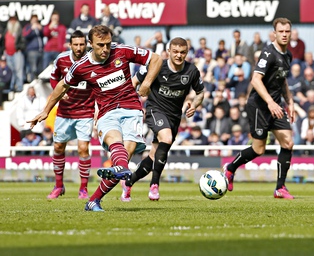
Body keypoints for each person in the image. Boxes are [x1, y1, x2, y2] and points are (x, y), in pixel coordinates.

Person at [28, 25, 163, 211]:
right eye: (100, 45)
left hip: (131, 109)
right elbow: (62, 85)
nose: (105, 49)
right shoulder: (81, 66)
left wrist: (146, 83)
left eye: (108, 44)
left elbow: (156, 58)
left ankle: (93, 200)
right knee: (118, 150)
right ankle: (118, 170)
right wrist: (46, 110)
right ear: (90, 44)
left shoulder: (122, 51)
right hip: (106, 112)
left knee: (124, 157)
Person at [119, 37, 204, 201]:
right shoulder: (157, 66)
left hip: (174, 116)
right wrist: (127, 105)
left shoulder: (192, 71)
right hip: (155, 110)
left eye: (183, 52)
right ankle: (154, 185)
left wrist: (194, 104)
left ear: (187, 52)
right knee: (166, 137)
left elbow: (200, 92)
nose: (179, 56)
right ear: (169, 52)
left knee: (154, 156)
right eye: (175, 52)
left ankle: (128, 182)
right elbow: (134, 82)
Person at [223, 17, 295, 199]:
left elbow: (282, 79)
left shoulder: (288, 55)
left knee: (288, 143)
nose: (285, 35)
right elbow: (255, 79)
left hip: (276, 105)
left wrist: (290, 101)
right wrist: (270, 102)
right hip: (260, 106)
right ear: (275, 33)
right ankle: (230, 168)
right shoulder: (268, 53)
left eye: (287, 31)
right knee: (258, 149)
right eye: (281, 32)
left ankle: (280, 188)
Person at [46, 30, 95, 200]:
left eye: (82, 44)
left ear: (86, 44)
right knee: (59, 147)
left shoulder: (92, 59)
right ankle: (59, 186)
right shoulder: (61, 59)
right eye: (76, 44)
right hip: (65, 112)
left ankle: (83, 188)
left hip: (85, 111)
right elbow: (53, 78)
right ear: (70, 45)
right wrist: (58, 91)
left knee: (83, 149)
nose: (79, 47)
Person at [22, 14, 44, 83]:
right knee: (33, 69)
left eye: (36, 20)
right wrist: (31, 29)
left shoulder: (39, 27)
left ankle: (39, 83)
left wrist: (41, 30)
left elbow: (45, 34)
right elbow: (25, 35)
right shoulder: (28, 27)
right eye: (33, 20)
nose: (35, 21)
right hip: (32, 51)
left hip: (40, 50)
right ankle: (32, 83)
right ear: (31, 20)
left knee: (40, 69)